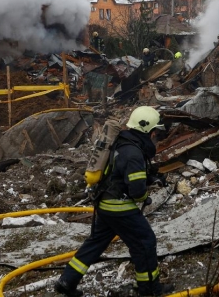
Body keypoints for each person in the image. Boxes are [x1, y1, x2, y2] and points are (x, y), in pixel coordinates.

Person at [55, 106, 173, 297]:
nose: (156, 137)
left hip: (104, 204)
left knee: (96, 242)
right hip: (120, 208)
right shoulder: (134, 153)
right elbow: (136, 191)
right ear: (148, 130)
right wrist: (145, 196)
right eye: (155, 132)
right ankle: (149, 290)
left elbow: (119, 176)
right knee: (145, 242)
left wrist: (151, 179)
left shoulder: (122, 142)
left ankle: (67, 281)